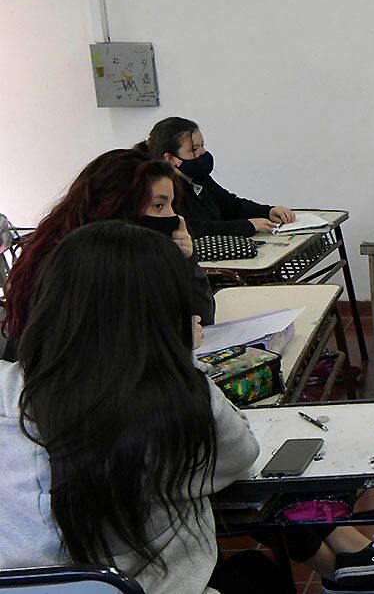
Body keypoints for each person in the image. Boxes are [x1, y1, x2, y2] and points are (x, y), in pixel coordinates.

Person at [0, 220, 274, 594]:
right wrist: (183, 358)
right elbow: (241, 457)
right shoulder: (179, 402)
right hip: (150, 586)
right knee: (256, 572)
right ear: (167, 312)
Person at [2, 149, 213, 362]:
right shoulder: (66, 265)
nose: (173, 217)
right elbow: (84, 358)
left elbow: (202, 319)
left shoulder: (139, 256)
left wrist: (186, 262)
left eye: (172, 205)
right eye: (158, 205)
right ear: (116, 208)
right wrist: (169, 341)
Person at [135, 116, 296, 238]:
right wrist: (246, 226)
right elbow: (192, 228)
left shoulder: (199, 178)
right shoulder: (164, 190)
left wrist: (267, 211)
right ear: (170, 159)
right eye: (194, 149)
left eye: (202, 146)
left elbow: (231, 205)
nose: (202, 153)